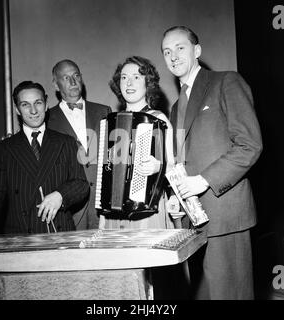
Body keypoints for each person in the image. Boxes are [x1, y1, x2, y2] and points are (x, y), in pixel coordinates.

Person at [161, 26, 263, 299]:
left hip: (225, 217)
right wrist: (176, 194)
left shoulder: (226, 82)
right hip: (193, 222)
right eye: (166, 51)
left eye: (180, 48)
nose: (173, 56)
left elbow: (250, 145)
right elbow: (182, 161)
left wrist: (202, 181)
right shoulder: (175, 106)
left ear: (197, 51)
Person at [0, 81, 89, 240]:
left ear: (46, 105)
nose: (33, 110)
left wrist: (60, 195)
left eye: (38, 103)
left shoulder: (65, 142)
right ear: (17, 109)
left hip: (59, 233)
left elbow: (81, 184)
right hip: (20, 236)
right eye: (25, 105)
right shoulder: (4, 148)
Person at [99, 56, 176, 229]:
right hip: (113, 215)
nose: (129, 83)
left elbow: (173, 167)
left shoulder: (158, 119)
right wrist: (103, 216)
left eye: (136, 77)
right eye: (124, 78)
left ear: (148, 83)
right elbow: (106, 174)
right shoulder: (110, 123)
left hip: (146, 213)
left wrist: (158, 167)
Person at [48, 59, 111, 230]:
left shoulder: (104, 111)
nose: (73, 82)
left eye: (76, 76)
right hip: (70, 211)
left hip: (103, 209)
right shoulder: (47, 120)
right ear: (55, 84)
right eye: (66, 78)